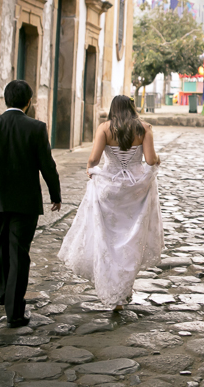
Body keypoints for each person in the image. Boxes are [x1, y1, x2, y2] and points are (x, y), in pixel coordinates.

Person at [58, 95, 163, 310]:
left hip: (110, 190)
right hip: (135, 192)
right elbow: (151, 160)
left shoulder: (104, 129)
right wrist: (158, 159)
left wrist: (91, 168)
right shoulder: (144, 128)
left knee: (109, 241)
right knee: (131, 241)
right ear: (132, 109)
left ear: (112, 109)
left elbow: (94, 159)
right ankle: (124, 290)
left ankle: (113, 287)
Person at [0, 80, 61, 328]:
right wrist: (55, 194)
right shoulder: (36, 128)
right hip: (26, 204)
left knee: (1, 245)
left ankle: (3, 293)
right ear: (29, 102)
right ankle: (15, 312)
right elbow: (47, 165)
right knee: (19, 253)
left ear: (5, 100)